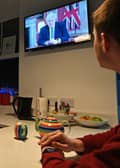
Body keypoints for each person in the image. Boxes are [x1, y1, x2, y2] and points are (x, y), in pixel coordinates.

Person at [38, 0, 120, 167]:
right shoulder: (43, 31)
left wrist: (49, 150)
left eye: (94, 36)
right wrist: (78, 144)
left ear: (104, 42)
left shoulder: (61, 26)